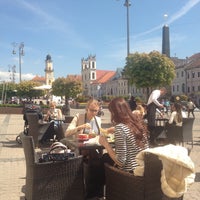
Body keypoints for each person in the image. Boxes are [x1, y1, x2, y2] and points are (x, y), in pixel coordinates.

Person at [99, 97, 149, 172]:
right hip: (143, 170)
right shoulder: (138, 124)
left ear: (114, 113)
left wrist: (105, 144)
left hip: (129, 174)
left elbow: (121, 162)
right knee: (106, 157)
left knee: (102, 160)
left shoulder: (120, 128)